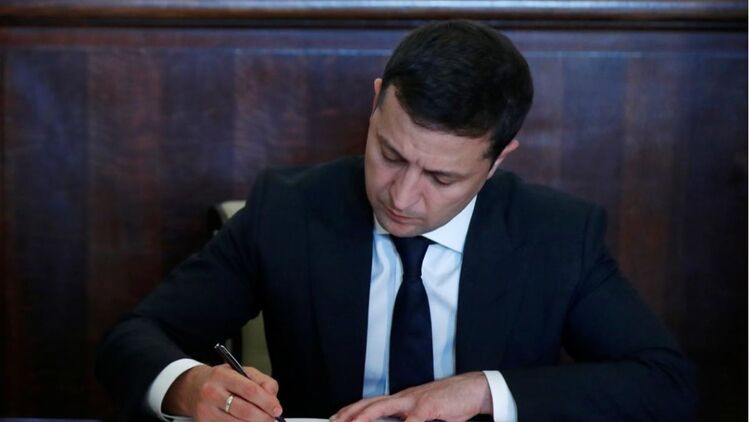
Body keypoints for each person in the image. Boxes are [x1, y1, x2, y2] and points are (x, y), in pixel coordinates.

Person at [96, 20, 696, 422]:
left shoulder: (557, 235)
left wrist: (484, 390)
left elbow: (666, 383)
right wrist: (186, 386)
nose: (403, 197)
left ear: (497, 160)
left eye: (441, 178)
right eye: (389, 154)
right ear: (376, 100)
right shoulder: (288, 209)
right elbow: (133, 337)